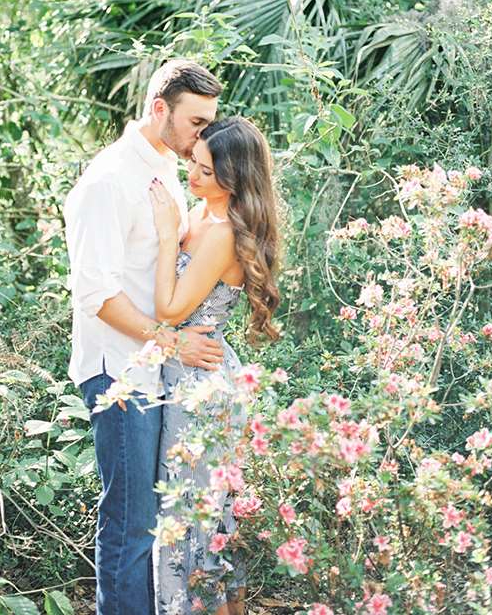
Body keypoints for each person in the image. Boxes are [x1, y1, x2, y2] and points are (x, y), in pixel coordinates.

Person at [63, 60, 225, 615]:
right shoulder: (107, 181)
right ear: (160, 109)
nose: (204, 136)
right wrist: (173, 342)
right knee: (131, 525)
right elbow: (95, 293)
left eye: (209, 124)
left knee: (158, 522)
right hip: (120, 371)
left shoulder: (168, 168)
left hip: (159, 373)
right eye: (196, 123)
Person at [149, 116, 281, 615]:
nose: (193, 175)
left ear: (234, 178)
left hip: (201, 385)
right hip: (192, 375)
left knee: (191, 520)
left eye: (206, 170)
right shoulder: (201, 215)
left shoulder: (224, 232)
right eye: (193, 162)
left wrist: (167, 237)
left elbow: (170, 309)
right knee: (201, 523)